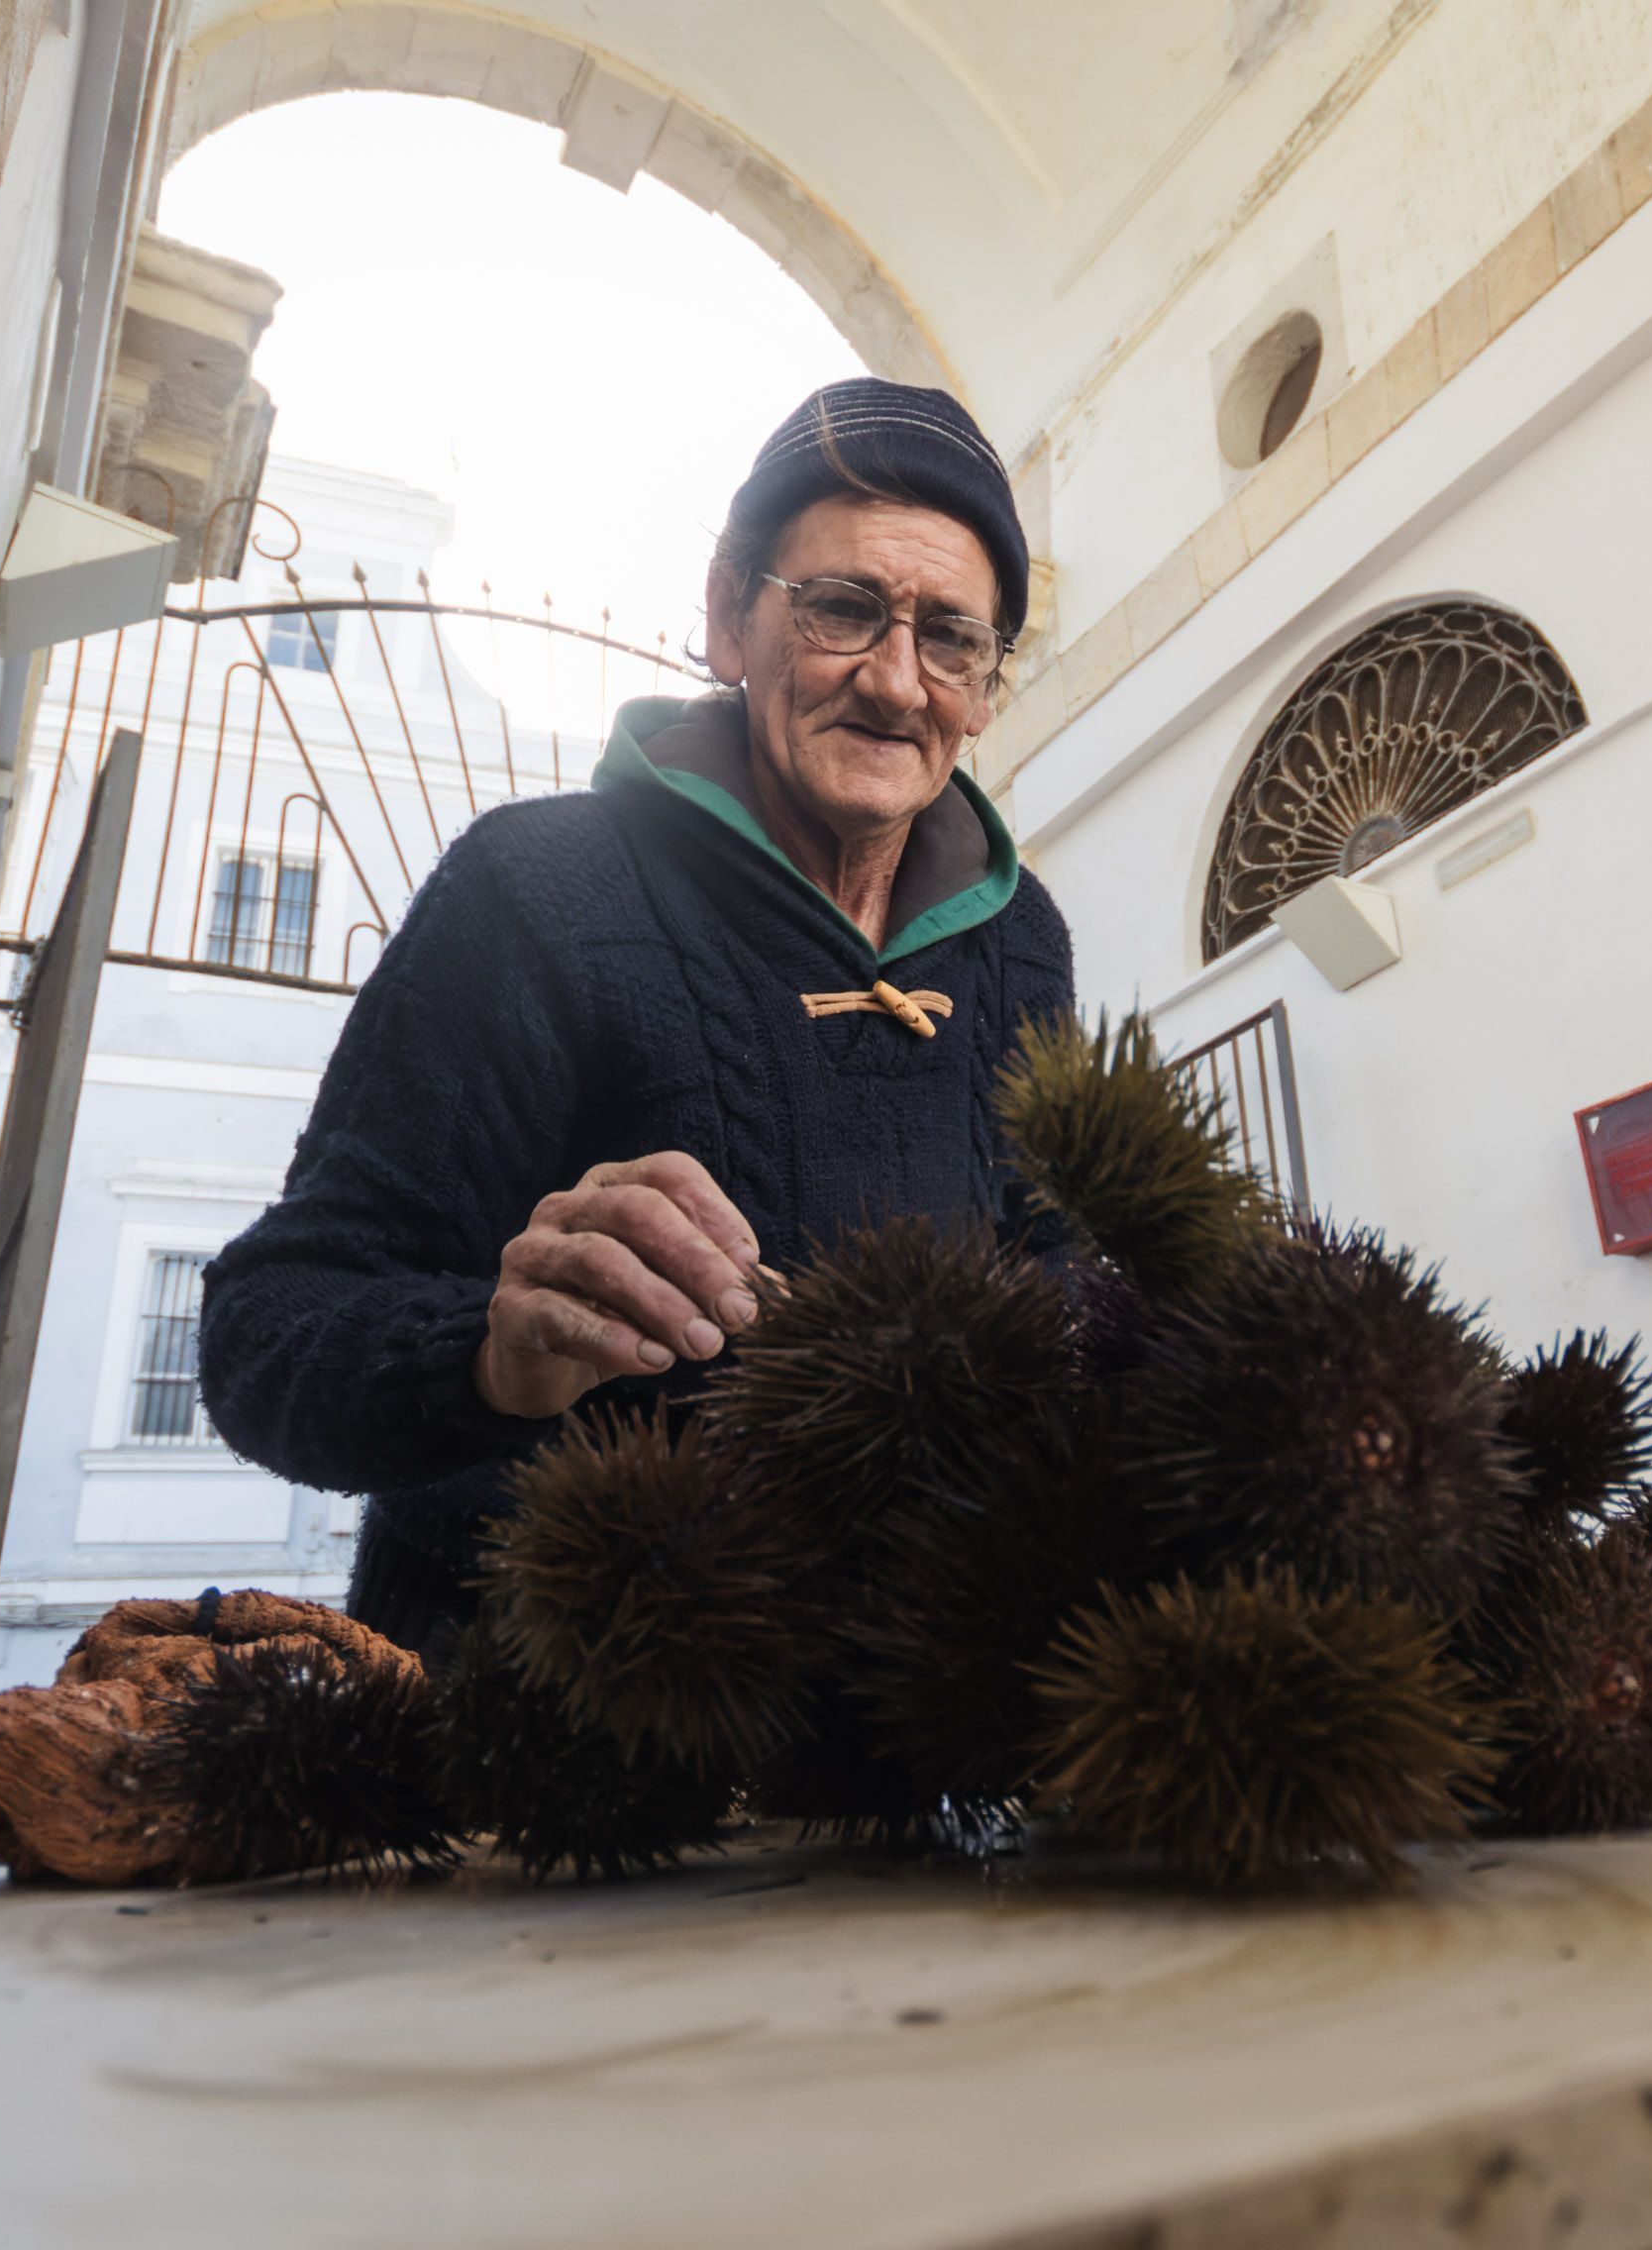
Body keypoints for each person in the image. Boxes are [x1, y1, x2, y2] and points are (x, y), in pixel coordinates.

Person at [198, 379, 1076, 1654]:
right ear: (729, 616)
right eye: (843, 609)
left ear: (988, 686)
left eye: (952, 637)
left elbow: (1061, 1264)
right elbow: (261, 1335)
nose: (898, 682)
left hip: (907, 1737)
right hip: (543, 1723)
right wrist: (489, 1352)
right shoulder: (535, 889)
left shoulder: (1021, 943)